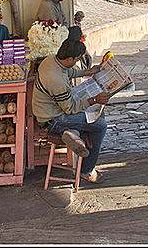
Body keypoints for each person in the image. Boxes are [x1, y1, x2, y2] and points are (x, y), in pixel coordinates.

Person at [33, 26, 110, 184]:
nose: (76, 62)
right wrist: (94, 100)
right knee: (100, 124)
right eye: (76, 59)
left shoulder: (51, 60)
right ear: (70, 59)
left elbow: (68, 71)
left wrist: (86, 72)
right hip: (53, 119)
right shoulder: (57, 81)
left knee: (95, 113)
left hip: (51, 109)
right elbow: (70, 109)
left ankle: (72, 132)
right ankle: (87, 171)